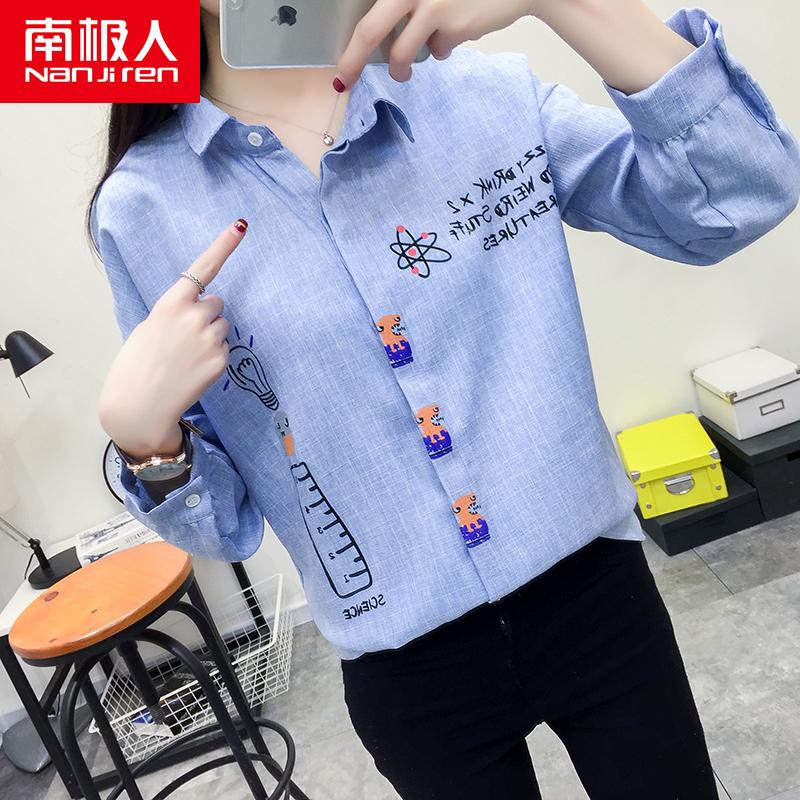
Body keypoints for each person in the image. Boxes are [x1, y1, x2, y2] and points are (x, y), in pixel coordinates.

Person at [89, 1, 800, 798]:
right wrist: (149, 445)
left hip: (598, 597)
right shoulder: (142, 209)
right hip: (407, 669)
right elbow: (225, 526)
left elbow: (738, 197)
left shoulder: (483, 98)